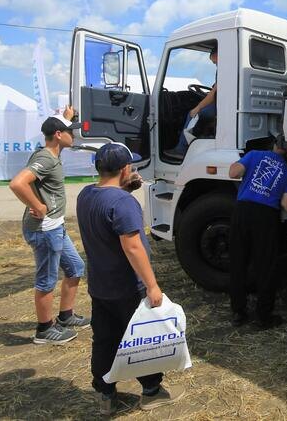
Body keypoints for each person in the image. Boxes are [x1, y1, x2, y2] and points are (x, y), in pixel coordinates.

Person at [77, 142, 184, 414]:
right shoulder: (123, 203)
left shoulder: (86, 194)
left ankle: (105, 393)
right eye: (131, 166)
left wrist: (124, 189)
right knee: (141, 339)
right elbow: (133, 247)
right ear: (125, 169)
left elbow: (107, 208)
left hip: (100, 285)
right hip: (127, 286)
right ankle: (152, 391)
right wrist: (152, 285)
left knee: (105, 339)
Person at [8, 108, 90, 345]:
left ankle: (65, 316)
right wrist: (37, 205)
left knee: (75, 267)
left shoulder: (52, 153)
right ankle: (44, 330)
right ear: (58, 135)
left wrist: (67, 116)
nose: (74, 136)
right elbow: (17, 183)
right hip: (45, 229)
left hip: (55, 227)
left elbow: (60, 127)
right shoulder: (45, 158)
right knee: (46, 280)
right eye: (70, 132)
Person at [228, 137, 287, 329]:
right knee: (265, 266)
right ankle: (263, 317)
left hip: (242, 211)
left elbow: (234, 173)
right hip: (266, 216)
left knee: (238, 261)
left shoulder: (254, 155)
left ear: (274, 145)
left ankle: (238, 312)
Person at [164, 45, 217, 160]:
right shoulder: (227, 69)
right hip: (223, 106)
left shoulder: (224, 69)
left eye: (215, 62)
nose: (215, 64)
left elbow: (212, 96)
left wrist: (197, 108)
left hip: (219, 107)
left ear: (218, 55)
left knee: (192, 114)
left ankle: (181, 149)